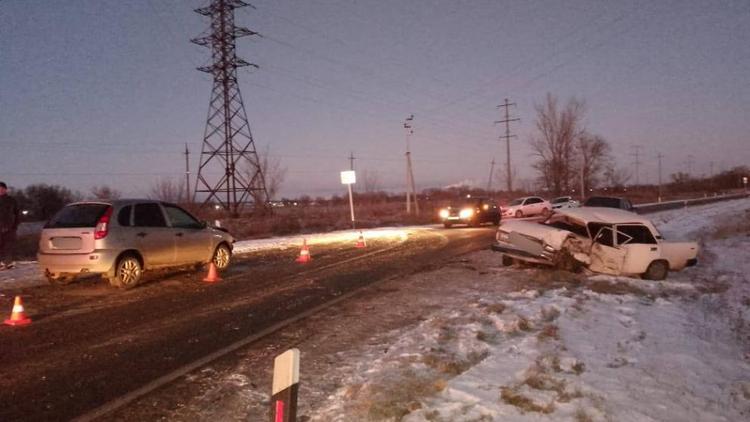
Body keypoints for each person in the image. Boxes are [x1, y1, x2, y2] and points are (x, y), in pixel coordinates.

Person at [0, 182, 21, 270]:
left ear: (5, 189)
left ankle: (8, 262)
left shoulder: (11, 200)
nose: (0, 191)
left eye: (2, 189)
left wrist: (15, 225)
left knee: (8, 245)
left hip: (9, 227)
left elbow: (17, 213)